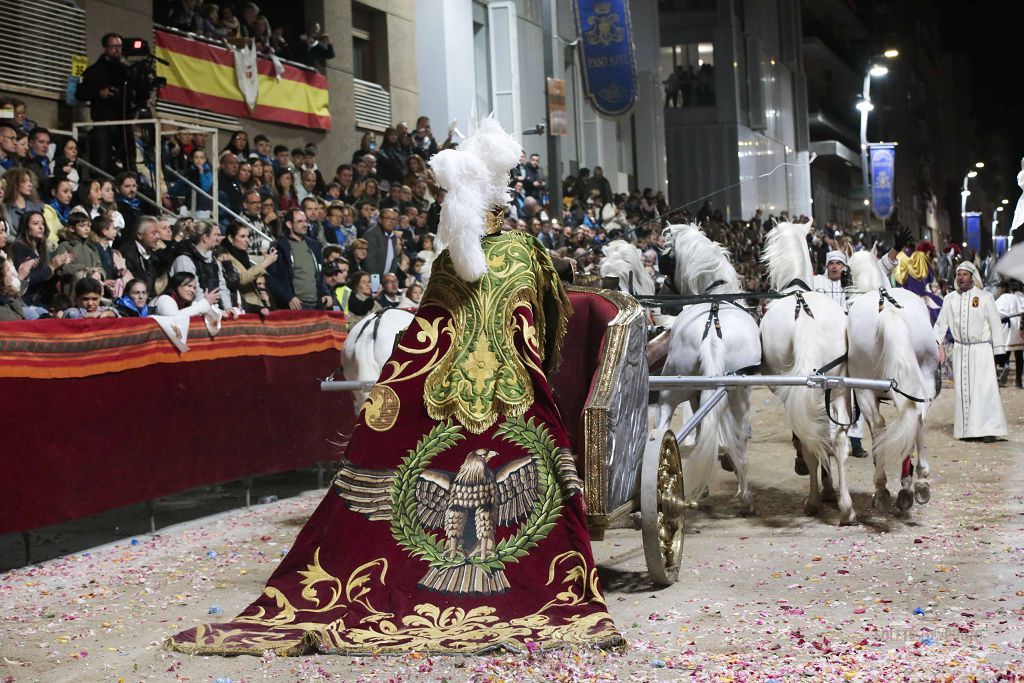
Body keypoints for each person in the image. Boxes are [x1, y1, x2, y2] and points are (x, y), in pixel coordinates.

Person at [167, 115, 619, 657]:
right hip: (513, 396)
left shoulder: (449, 262)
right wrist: (535, 382)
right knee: (547, 463)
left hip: (440, 393)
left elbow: (428, 329)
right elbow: (548, 330)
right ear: (502, 198)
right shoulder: (528, 255)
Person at [933, 262, 1008, 442]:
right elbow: (940, 324)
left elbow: (995, 325)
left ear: (972, 277)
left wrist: (999, 351)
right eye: (958, 274)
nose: (960, 278)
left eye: (964, 274)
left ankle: (989, 429)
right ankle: (967, 430)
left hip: (981, 350)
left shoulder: (985, 297)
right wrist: (933, 344)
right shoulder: (950, 299)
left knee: (984, 390)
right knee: (963, 392)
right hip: (960, 350)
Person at [75, 33, 131, 174]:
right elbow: (80, 94)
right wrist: (99, 93)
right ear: (105, 48)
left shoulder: (126, 70)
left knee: (128, 159)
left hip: (123, 122)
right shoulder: (94, 71)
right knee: (102, 159)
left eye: (119, 46)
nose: (117, 50)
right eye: (113, 46)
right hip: (103, 121)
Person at [264, 208, 332, 310]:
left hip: (316, 306)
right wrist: (288, 297)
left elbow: (319, 275)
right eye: (300, 221)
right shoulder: (279, 247)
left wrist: (325, 293)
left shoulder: (314, 246)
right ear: (289, 224)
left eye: (305, 221)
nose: (305, 225)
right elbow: (271, 278)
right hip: (295, 306)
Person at [221, 222, 278, 314]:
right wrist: (265, 262)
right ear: (231, 238)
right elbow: (240, 279)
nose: (247, 240)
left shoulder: (243, 255)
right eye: (242, 236)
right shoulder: (225, 257)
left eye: (248, 236)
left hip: (255, 306)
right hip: (242, 308)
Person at [118, 216, 172, 297]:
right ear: (140, 235)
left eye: (158, 233)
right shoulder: (127, 254)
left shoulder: (153, 254)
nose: (158, 237)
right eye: (154, 233)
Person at [994, 280, 1024, 388]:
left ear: (1002, 289)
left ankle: (1004, 366)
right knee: (1019, 354)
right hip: (1018, 325)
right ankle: (1018, 382)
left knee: (1003, 351)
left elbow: (995, 313)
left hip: (1007, 326)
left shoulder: (1001, 299)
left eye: (998, 288)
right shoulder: (1017, 297)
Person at [153, 271, 221, 317]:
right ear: (177, 285)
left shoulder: (187, 303)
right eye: (189, 286)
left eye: (194, 288)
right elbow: (173, 318)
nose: (192, 290)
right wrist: (205, 303)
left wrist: (210, 307)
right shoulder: (165, 299)